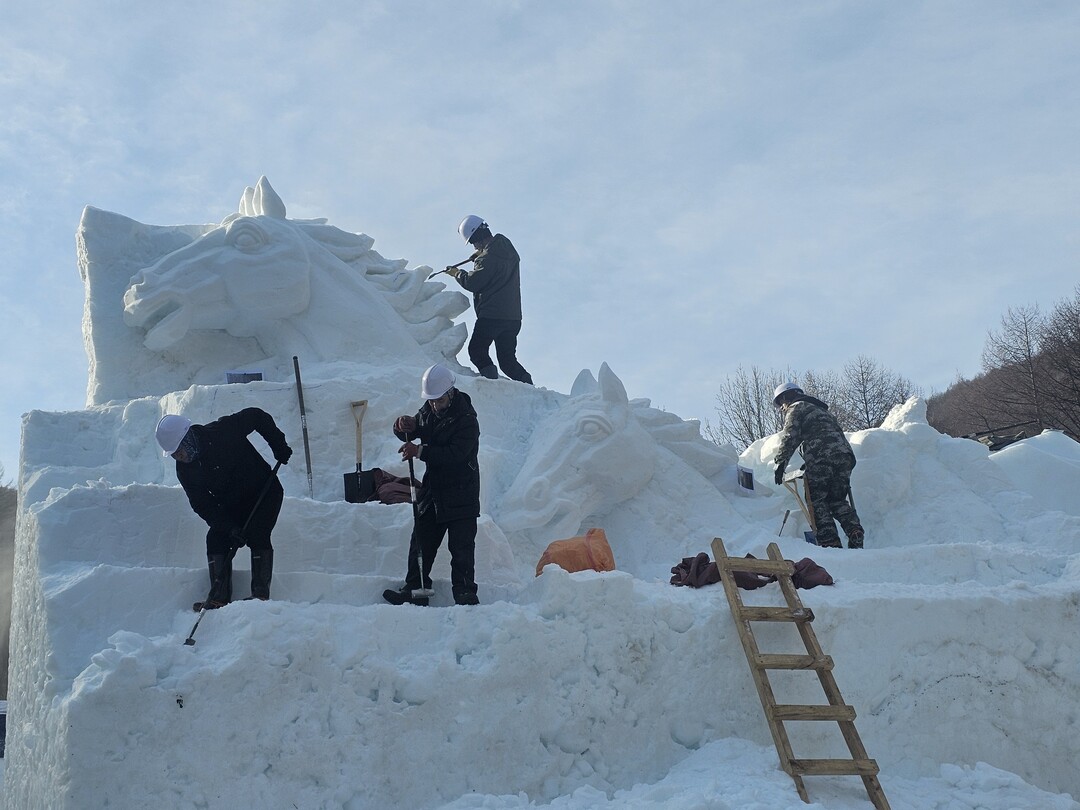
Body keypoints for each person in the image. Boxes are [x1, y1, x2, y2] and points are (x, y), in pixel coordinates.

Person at [156, 409, 292, 609]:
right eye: (174, 454)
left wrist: (278, 445)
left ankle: (260, 595)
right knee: (215, 538)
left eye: (179, 450)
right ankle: (219, 597)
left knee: (258, 533)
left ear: (188, 439)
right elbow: (202, 504)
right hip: (232, 505)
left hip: (264, 492)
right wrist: (229, 528)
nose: (179, 456)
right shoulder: (185, 469)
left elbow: (257, 416)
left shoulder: (222, 430)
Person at [383, 363, 481, 606]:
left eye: (439, 400)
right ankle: (415, 587)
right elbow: (416, 426)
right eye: (431, 400)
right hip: (434, 489)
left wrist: (420, 451)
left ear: (450, 393)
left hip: (462, 491)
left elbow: (455, 454)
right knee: (421, 539)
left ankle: (465, 594)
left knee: (461, 548)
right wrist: (404, 425)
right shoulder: (429, 409)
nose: (435, 405)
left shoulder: (467, 420)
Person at [772, 383, 865, 549]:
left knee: (817, 501)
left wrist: (780, 463)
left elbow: (790, 436)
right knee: (837, 499)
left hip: (821, 456)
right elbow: (824, 435)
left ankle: (830, 543)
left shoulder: (796, 407)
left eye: (781, 404)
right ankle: (854, 530)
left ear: (785, 397)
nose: (782, 409)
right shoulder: (822, 411)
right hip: (844, 456)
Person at [444, 215, 533, 385]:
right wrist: (481, 254)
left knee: (477, 351)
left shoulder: (487, 258)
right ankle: (530, 387)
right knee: (507, 361)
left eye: (473, 242)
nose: (474, 246)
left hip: (492, 315)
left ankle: (491, 385)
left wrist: (457, 273)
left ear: (477, 236)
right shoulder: (507, 247)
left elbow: (473, 282)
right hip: (513, 317)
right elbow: (494, 264)